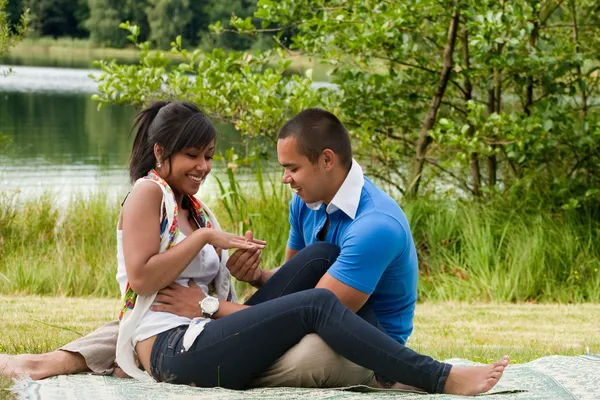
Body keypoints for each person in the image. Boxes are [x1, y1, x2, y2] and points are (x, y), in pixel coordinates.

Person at [1, 105, 509, 394]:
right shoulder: (147, 194)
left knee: (320, 257)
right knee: (318, 301)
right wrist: (205, 249)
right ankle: (437, 377)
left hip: (198, 329)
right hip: (175, 349)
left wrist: (244, 273)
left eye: (208, 157)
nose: (203, 167)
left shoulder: (192, 207)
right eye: (193, 156)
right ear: (161, 154)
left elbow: (211, 289)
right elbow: (139, 280)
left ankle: (49, 360)